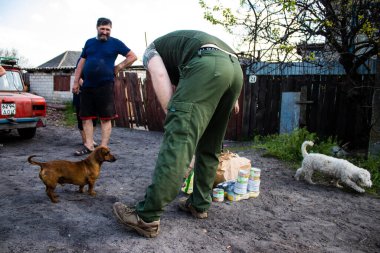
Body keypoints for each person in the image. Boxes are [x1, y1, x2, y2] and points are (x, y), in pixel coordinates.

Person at [113, 30, 243, 238]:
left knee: (179, 141)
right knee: (210, 145)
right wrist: (231, 97)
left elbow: (160, 75)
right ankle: (199, 204)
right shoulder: (182, 49)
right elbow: (219, 71)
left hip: (207, 65)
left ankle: (146, 216)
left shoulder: (151, 50)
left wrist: (176, 120)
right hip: (234, 70)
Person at [72, 17, 137, 155]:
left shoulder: (115, 43)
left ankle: (103, 148)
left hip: (105, 85)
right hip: (88, 85)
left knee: (105, 118)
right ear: (97, 28)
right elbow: (81, 64)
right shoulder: (89, 43)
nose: (105, 32)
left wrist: (118, 66)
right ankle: (89, 145)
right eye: (102, 29)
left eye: (108, 29)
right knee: (86, 117)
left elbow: (132, 56)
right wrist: (76, 82)